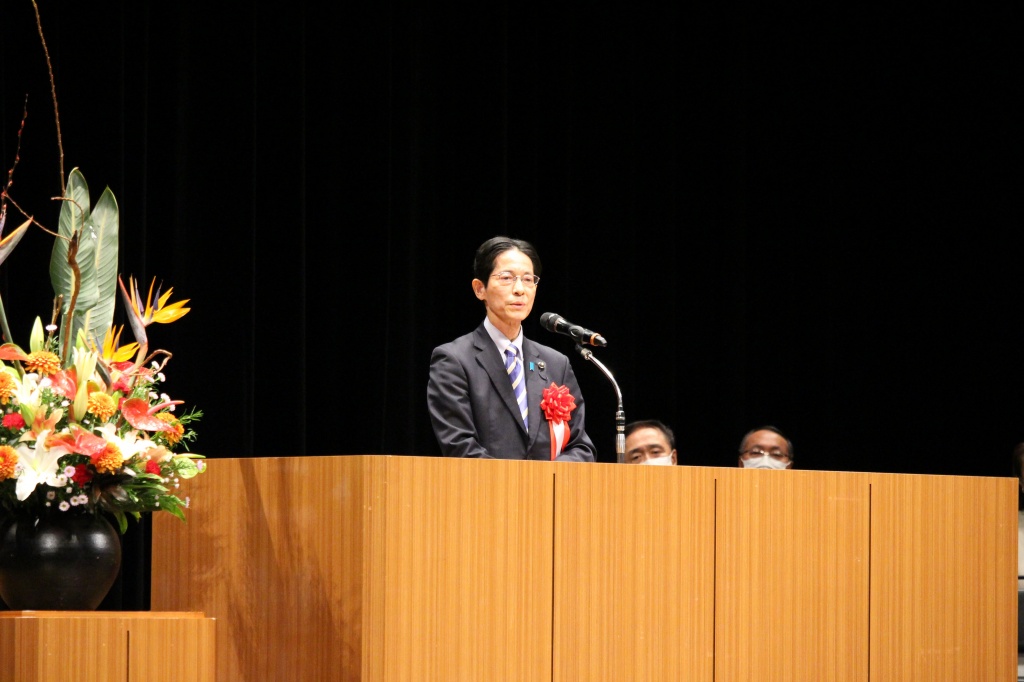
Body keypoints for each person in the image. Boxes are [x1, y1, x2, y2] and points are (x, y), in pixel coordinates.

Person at [427, 236, 597, 461]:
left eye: (528, 279)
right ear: (480, 289)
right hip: (485, 493)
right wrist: (517, 487)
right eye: (507, 278)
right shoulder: (454, 360)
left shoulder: (556, 363)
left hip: (550, 493)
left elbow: (581, 448)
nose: (520, 289)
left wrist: (548, 480)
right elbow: (460, 446)